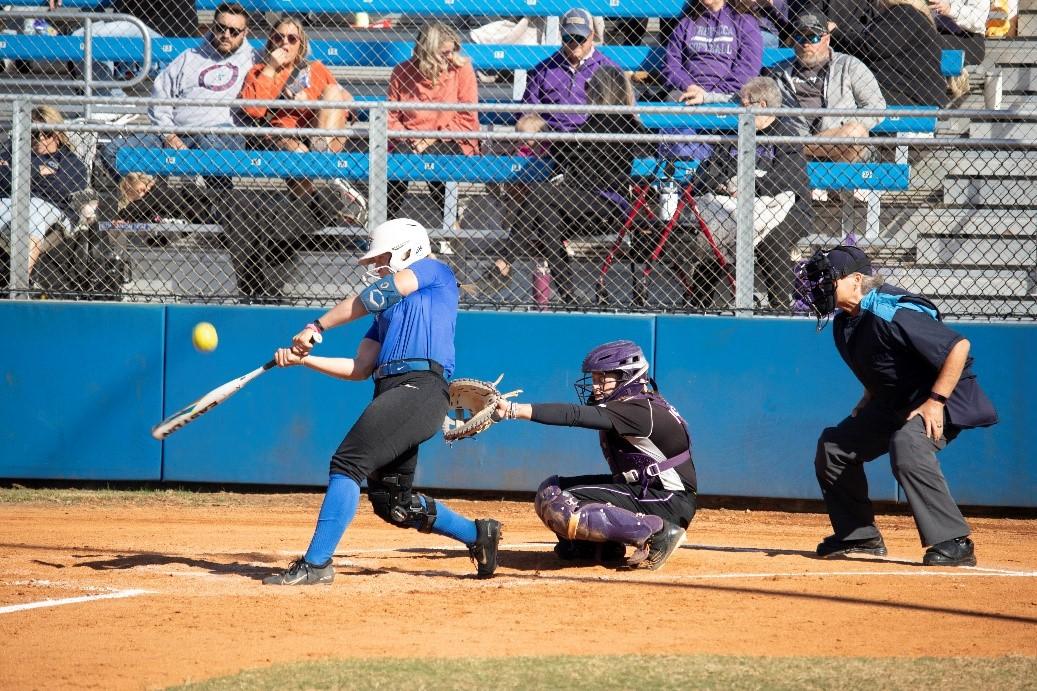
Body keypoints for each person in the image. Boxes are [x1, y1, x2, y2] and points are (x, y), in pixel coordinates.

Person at [263, 218, 503, 585]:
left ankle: (316, 564)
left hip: (421, 388)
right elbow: (360, 367)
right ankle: (478, 534)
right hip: (392, 390)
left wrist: (317, 326)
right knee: (395, 505)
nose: (376, 266)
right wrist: (304, 359)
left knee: (347, 462)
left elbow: (376, 294)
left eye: (383, 258)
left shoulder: (434, 271)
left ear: (409, 249)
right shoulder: (386, 312)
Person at [797, 245, 998, 567]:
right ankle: (859, 536)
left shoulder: (892, 311)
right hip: (895, 402)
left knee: (908, 444)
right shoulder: (845, 322)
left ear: (857, 280)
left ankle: (954, 542)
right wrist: (869, 394)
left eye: (827, 280)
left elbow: (958, 347)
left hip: (942, 398)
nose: (819, 288)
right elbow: (884, 362)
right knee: (835, 447)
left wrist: (935, 402)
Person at [491, 340, 695, 570]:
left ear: (627, 376)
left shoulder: (638, 409)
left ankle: (661, 533)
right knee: (551, 489)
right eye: (595, 379)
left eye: (602, 379)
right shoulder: (635, 404)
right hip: (647, 491)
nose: (596, 387)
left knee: (559, 503)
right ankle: (599, 547)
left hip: (667, 500)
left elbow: (574, 415)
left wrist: (512, 410)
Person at [480, 67, 651, 304]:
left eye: (591, 89)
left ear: (601, 92)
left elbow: (565, 151)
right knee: (547, 214)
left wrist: (553, 136)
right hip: (579, 207)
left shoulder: (623, 125)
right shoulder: (597, 125)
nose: (587, 93)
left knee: (541, 194)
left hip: (609, 205)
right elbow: (564, 151)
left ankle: (505, 260)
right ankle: (569, 296)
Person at [680, 76, 813, 308]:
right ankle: (699, 302)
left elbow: (783, 181)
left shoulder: (786, 136)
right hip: (736, 205)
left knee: (772, 239)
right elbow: (710, 170)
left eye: (743, 105)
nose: (739, 110)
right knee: (717, 234)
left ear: (761, 106)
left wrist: (745, 187)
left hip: (787, 209)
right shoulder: (736, 133)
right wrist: (725, 185)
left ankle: (780, 305)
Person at [99, 3, 256, 192]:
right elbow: (160, 97)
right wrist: (169, 135)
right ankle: (151, 200)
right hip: (177, 133)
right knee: (113, 151)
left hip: (221, 136)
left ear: (245, 32)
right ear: (213, 26)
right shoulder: (189, 57)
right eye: (220, 28)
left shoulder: (253, 59)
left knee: (210, 144)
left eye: (234, 31)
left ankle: (221, 209)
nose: (226, 35)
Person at [765, 8, 885, 164]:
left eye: (813, 37)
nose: (806, 44)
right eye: (800, 37)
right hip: (792, 152)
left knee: (856, 132)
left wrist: (841, 126)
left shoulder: (849, 66)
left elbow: (877, 106)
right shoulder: (779, 72)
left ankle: (802, 148)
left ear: (827, 39)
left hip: (839, 147)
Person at [386, 22, 480, 221]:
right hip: (408, 140)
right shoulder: (402, 72)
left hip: (451, 138)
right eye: (444, 52)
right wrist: (411, 138)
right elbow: (391, 118)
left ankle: (451, 224)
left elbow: (466, 119)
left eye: (452, 51)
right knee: (399, 158)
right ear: (427, 52)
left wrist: (429, 140)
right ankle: (384, 224)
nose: (450, 57)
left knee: (436, 156)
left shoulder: (461, 70)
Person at [239, 16, 353, 156]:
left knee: (333, 90)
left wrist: (309, 104)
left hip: (317, 130)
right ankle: (325, 164)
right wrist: (271, 67)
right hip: (280, 134)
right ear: (270, 43)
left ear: (301, 45)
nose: (284, 43)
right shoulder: (258, 71)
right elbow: (253, 110)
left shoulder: (316, 68)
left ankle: (320, 147)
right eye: (278, 38)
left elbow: (343, 103)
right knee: (300, 153)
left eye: (292, 39)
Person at [0, 106, 89, 275]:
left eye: (46, 132)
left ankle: (17, 286)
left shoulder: (71, 162)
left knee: (35, 206)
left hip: (52, 212)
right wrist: (38, 171)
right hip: (10, 205)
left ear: (57, 134)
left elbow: (61, 190)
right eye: (34, 133)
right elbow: (1, 178)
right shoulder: (13, 152)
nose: (39, 138)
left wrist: (20, 172)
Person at [519, 8, 619, 133]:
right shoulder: (544, 69)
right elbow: (527, 112)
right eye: (568, 37)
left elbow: (623, 115)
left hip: (592, 141)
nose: (574, 43)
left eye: (580, 37)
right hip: (551, 140)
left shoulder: (608, 68)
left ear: (591, 36)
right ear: (561, 35)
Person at [831, 0, 948, 107]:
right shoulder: (898, 14)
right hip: (897, 90)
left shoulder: (905, 13)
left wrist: (835, 32)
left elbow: (872, 46)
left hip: (911, 96)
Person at [664, 0, 763, 105]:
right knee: (672, 100)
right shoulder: (687, 23)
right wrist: (688, 85)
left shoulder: (744, 21)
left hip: (727, 94)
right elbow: (670, 65)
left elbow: (748, 68)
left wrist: (710, 96)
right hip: (688, 91)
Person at [930, 0, 988, 69]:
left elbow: (979, 20)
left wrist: (950, 10)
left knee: (931, 46)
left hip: (969, 37)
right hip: (935, 33)